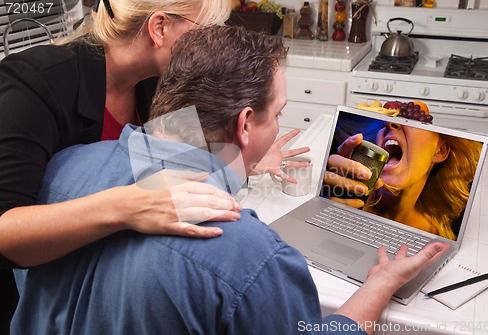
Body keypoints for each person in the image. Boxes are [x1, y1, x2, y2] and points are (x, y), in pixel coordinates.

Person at [12, 25, 449, 335]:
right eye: (277, 114)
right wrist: (382, 283)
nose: (278, 124)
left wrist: (241, 163)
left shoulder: (62, 169)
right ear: (244, 124)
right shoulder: (251, 257)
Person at [0, 0, 307, 332]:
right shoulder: (36, 84)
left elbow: (187, 152)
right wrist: (129, 204)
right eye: (206, 30)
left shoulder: (157, 83)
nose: (213, 42)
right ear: (159, 27)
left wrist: (245, 157)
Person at [324, 115, 482, 240]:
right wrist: (326, 207)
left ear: (440, 151)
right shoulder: (344, 199)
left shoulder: (436, 238)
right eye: (384, 122)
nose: (389, 123)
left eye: (414, 121)